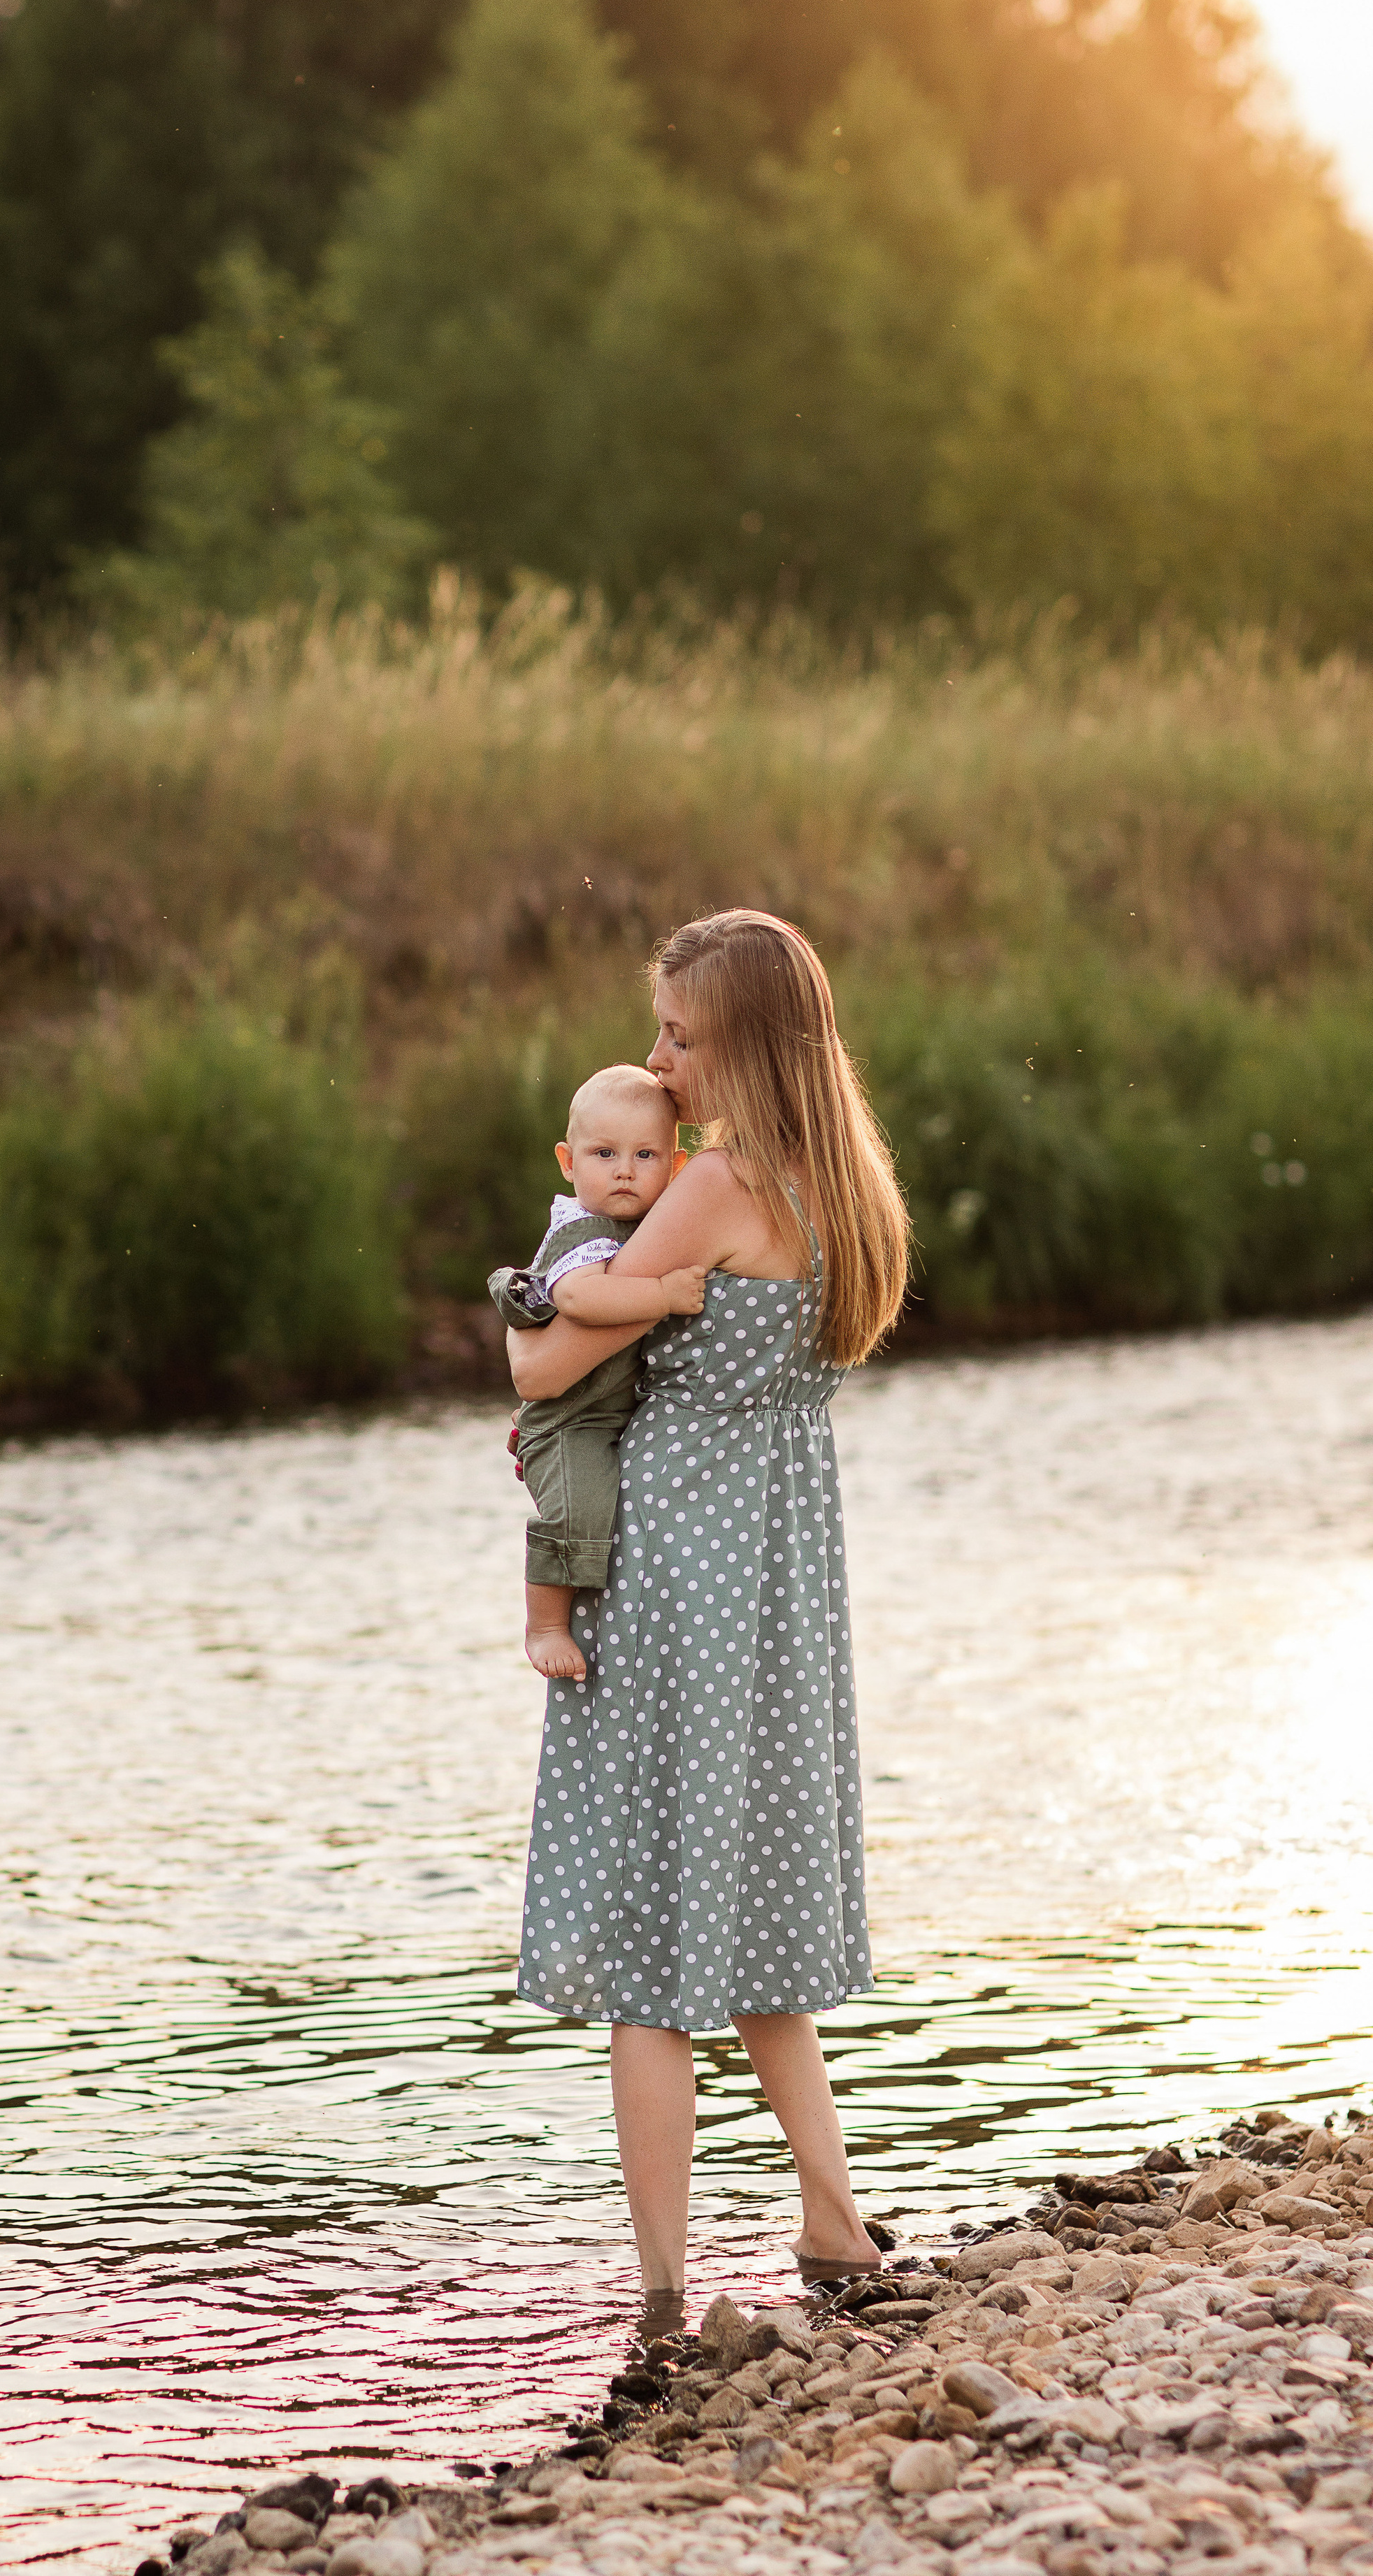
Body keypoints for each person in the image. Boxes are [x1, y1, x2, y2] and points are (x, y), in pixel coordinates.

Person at [505, 909, 909, 2308]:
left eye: (679, 1035)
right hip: (781, 1567)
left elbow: (544, 1366)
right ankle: (833, 2222)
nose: (657, 1060)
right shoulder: (846, 1182)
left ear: (741, 1042)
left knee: (648, 1944)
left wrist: (538, 1347)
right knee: (760, 1910)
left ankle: (663, 2292)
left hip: (674, 1562)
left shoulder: (716, 1184)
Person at [487, 1065, 707, 1682]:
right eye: (604, 1154)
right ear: (568, 1162)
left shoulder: (644, 1226)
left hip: (607, 1410)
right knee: (579, 1509)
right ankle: (545, 1625)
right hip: (569, 1420)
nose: (625, 1171)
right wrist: (663, 1295)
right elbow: (581, 1299)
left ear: (677, 1167)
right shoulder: (581, 1230)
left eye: (645, 1155)